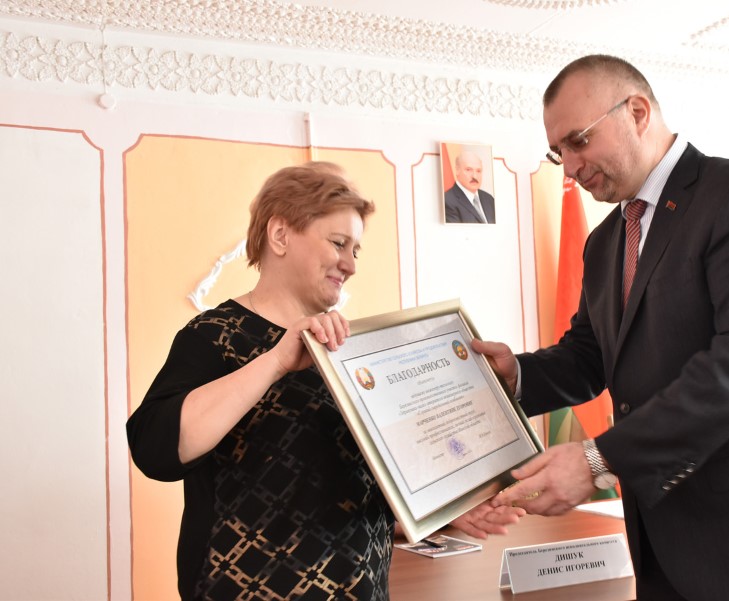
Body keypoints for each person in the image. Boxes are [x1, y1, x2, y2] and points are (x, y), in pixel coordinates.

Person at [473, 55, 729, 601]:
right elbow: (591, 355)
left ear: (637, 112)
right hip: (666, 544)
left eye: (578, 142)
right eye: (557, 152)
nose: (568, 168)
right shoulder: (605, 242)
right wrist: (516, 374)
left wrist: (597, 460)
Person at [126, 162, 522, 600]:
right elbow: (155, 450)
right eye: (338, 243)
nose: (350, 264)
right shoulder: (213, 336)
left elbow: (345, 486)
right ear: (280, 235)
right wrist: (277, 361)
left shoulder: (348, 350)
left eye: (356, 251)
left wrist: (437, 510)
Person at [444, 149, 496, 223]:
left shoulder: (489, 199)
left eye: (478, 171)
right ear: (457, 170)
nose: (475, 176)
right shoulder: (447, 201)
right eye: (468, 170)